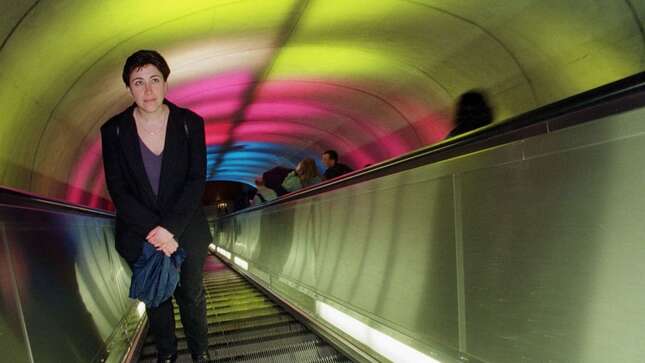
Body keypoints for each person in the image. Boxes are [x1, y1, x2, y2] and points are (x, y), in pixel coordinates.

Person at [100, 50, 211, 363]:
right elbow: (118, 189)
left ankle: (200, 352)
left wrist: (169, 229)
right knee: (156, 299)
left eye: (154, 80)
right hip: (140, 233)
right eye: (138, 82)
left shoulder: (190, 124)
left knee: (190, 294)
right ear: (128, 87)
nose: (147, 90)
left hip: (186, 230)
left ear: (165, 83)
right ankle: (167, 354)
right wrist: (155, 232)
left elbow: (195, 180)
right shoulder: (114, 131)